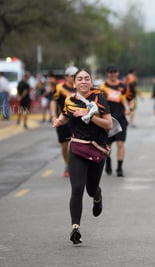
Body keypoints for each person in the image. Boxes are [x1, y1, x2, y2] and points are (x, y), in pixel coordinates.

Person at [52, 69, 113, 244]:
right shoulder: (70, 100)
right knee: (77, 188)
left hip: (96, 148)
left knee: (91, 189)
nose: (84, 81)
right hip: (77, 148)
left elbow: (108, 124)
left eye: (87, 78)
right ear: (74, 82)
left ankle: (97, 195)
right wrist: (58, 121)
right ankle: (75, 229)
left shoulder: (99, 98)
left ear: (91, 81)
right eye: (80, 79)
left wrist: (89, 116)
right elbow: (65, 115)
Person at [99, 65, 130, 177]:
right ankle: (108, 162)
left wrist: (129, 108)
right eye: (110, 72)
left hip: (121, 119)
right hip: (107, 119)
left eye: (115, 72)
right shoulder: (102, 87)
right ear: (107, 74)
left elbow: (130, 99)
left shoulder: (123, 86)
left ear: (117, 73)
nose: (113, 74)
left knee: (120, 143)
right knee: (107, 145)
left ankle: (119, 168)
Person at [50, 66, 78, 177]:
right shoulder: (60, 88)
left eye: (76, 76)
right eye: (72, 76)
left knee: (76, 144)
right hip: (63, 120)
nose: (74, 78)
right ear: (66, 77)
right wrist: (53, 116)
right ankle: (67, 163)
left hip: (77, 120)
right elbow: (53, 101)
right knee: (64, 145)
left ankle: (75, 165)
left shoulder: (80, 88)